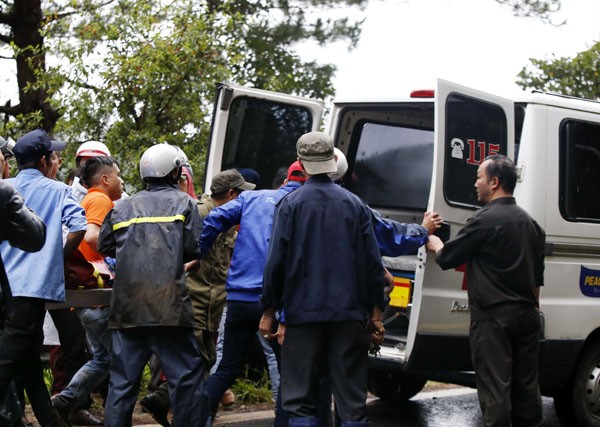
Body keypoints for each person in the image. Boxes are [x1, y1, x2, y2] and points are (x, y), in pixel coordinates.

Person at [260, 131, 385, 427]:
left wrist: (269, 311)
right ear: (331, 162)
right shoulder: (355, 205)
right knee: (352, 400)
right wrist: (376, 313)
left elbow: (276, 263)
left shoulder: (290, 205)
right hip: (349, 315)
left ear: (301, 164)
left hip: (302, 315)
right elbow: (372, 263)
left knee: (299, 400)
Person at [426, 154, 545, 427]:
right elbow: (537, 278)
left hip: (493, 320)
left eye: (479, 176)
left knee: (495, 391)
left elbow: (447, 258)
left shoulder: (483, 220)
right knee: (527, 389)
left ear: (494, 182)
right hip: (527, 315)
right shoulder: (532, 225)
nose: (475, 182)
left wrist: (432, 240)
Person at [97, 143, 207, 427]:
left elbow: (105, 244)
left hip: (126, 308)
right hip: (169, 308)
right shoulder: (185, 204)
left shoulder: (122, 207)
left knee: (121, 385)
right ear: (174, 171)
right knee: (187, 378)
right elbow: (194, 248)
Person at [140, 169, 254, 427]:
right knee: (196, 365)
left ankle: (165, 400)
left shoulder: (226, 218)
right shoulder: (200, 212)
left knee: (202, 362)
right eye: (242, 194)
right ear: (232, 194)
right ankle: (173, 407)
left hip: (210, 305)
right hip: (192, 302)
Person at [199, 161, 304, 424]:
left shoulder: (250, 197)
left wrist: (198, 251)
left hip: (238, 299)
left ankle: (197, 420)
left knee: (226, 368)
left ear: (283, 181)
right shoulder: (302, 205)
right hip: (273, 302)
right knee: (285, 370)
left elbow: (214, 218)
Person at [0, 128, 87, 427]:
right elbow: (78, 228)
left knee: (27, 361)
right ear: (43, 160)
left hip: (5, 285)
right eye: (54, 155)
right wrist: (57, 257)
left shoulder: (6, 186)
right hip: (32, 287)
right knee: (8, 358)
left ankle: (50, 421)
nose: (56, 160)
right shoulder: (59, 190)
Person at [51, 156, 124, 424]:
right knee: (120, 360)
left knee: (102, 358)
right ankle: (116, 417)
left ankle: (65, 400)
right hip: (96, 296)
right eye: (118, 175)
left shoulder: (90, 199)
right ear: (105, 179)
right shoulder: (100, 200)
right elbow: (92, 236)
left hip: (86, 297)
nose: (121, 180)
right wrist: (124, 251)